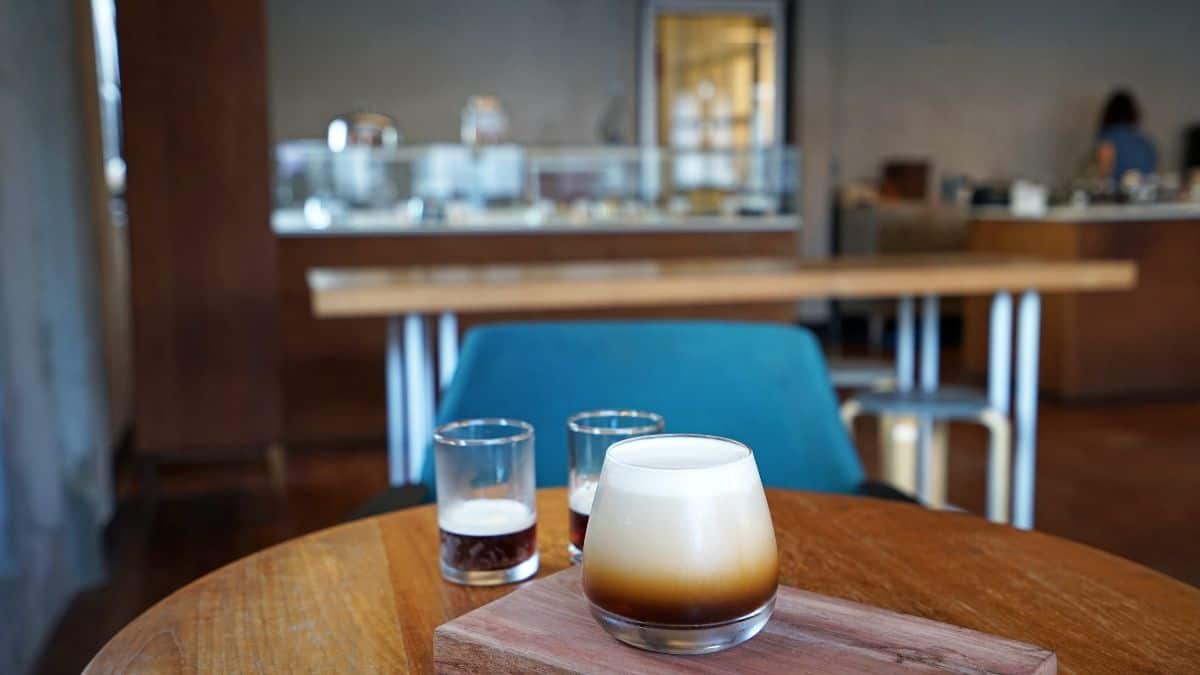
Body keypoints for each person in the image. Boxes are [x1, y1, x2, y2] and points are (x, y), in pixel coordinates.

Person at [1094, 90, 1158, 183]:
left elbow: (1103, 175)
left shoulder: (1108, 138)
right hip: (1145, 195)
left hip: (1117, 195)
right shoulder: (1147, 143)